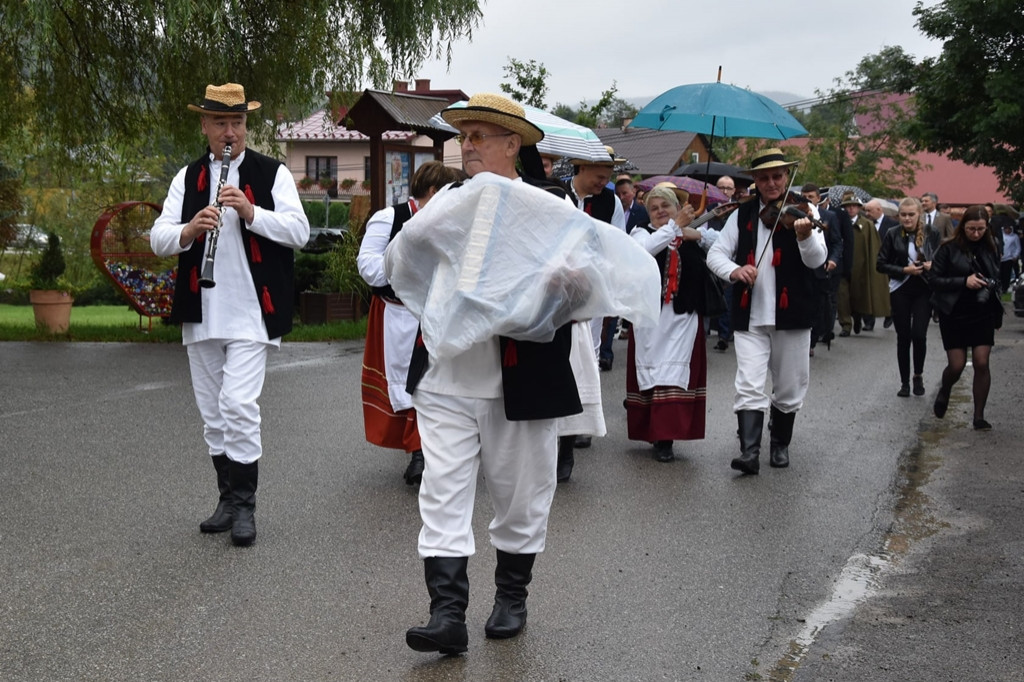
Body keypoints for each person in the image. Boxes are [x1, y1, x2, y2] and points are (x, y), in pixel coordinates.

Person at [383, 93, 657, 654]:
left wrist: (558, 286)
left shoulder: (552, 206)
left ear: (515, 144)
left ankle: (511, 596)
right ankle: (447, 613)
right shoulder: (447, 203)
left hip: (522, 375)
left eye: (483, 135)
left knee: (521, 495)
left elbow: (588, 287)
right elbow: (404, 268)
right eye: (467, 136)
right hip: (446, 376)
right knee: (442, 492)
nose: (471, 144)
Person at [150, 83, 310, 546]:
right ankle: (226, 499)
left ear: (246, 126)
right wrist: (187, 229)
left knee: (238, 405)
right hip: (202, 313)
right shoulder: (187, 177)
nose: (229, 131)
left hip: (252, 315)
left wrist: (252, 211)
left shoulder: (271, 173)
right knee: (213, 415)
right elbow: (158, 237)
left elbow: (299, 230)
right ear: (204, 125)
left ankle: (245, 509)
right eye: (220, 122)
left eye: (237, 123)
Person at [706, 148, 827, 474]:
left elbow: (816, 260)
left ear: (786, 176)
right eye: (764, 178)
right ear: (756, 181)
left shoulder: (805, 209)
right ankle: (749, 452)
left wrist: (804, 238)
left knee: (789, 385)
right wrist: (735, 271)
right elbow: (716, 254)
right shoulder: (742, 215)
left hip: (793, 313)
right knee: (748, 382)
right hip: (751, 314)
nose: (772, 183)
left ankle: (779, 444)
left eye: (777, 176)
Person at [357, 161, 463, 485]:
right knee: (405, 383)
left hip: (437, 315)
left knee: (431, 383)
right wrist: (407, 258)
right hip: (398, 314)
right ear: (432, 192)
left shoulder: (449, 224)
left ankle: (424, 454)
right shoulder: (389, 218)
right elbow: (369, 268)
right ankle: (417, 451)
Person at [625, 183, 708, 462]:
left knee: (673, 374)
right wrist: (674, 227)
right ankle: (652, 429)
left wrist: (690, 231)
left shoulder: (690, 235)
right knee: (652, 371)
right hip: (651, 318)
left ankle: (666, 437)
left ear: (677, 208)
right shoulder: (641, 232)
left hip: (682, 316)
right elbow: (644, 250)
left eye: (666, 206)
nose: (660, 211)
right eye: (654, 208)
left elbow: (716, 244)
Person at [929, 205, 1003, 430]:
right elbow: (934, 279)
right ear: (963, 227)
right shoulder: (948, 248)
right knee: (957, 365)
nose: (976, 233)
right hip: (954, 311)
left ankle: (979, 416)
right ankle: (945, 388)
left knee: (982, 362)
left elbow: (997, 276)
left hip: (982, 310)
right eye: (972, 228)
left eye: (981, 229)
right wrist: (964, 281)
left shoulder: (991, 247)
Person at [876, 197, 934, 397]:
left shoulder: (931, 233)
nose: (907, 219)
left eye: (911, 215)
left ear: (919, 214)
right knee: (904, 337)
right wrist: (904, 269)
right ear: (898, 215)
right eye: (903, 215)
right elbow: (881, 264)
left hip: (924, 288)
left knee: (919, 334)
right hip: (900, 287)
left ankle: (918, 375)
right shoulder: (893, 234)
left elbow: (943, 260)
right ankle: (904, 383)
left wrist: (931, 265)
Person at [801, 183, 842, 356]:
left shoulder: (829, 216)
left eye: (811, 197)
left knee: (818, 306)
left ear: (818, 198)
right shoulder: (796, 213)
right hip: (801, 269)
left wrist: (833, 259)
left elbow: (837, 242)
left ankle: (812, 340)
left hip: (821, 268)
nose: (807, 200)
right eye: (804, 196)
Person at [842, 192, 891, 332]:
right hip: (843, 264)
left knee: (862, 293)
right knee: (843, 295)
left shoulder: (867, 225)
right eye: (848, 206)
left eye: (854, 206)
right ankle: (846, 323)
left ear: (859, 208)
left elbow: (874, 247)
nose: (851, 209)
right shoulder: (839, 221)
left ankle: (862, 318)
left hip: (861, 264)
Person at [1000, 223, 1021, 291]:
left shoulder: (1015, 237)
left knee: (1007, 274)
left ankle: (1005, 288)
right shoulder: (1001, 236)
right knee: (1000, 274)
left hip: (1009, 258)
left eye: (1009, 229)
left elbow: (1018, 247)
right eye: (1006, 229)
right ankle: (999, 287)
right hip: (1000, 258)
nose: (1007, 230)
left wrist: (1015, 256)